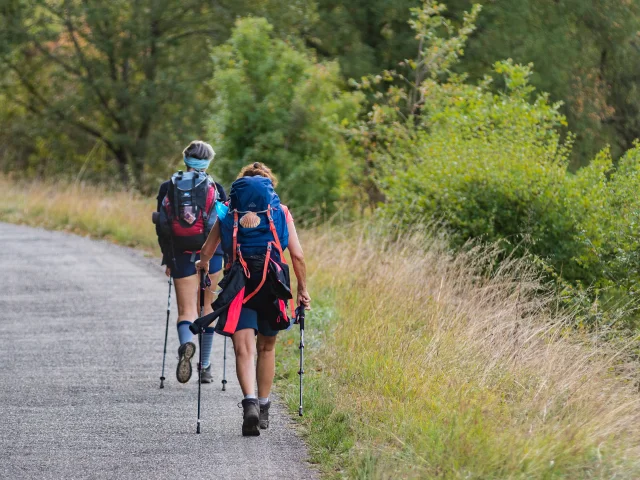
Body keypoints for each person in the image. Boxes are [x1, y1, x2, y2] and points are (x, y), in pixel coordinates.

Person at [194, 162, 311, 436]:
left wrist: (203, 267)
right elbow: (297, 256)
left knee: (243, 349)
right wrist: (302, 289)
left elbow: (207, 251)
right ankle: (263, 405)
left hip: (239, 285)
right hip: (272, 284)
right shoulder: (280, 211)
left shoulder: (227, 211)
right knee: (266, 349)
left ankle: (249, 403)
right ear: (269, 186)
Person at [155, 140, 227, 385]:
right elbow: (224, 227)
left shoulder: (168, 187)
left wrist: (168, 258)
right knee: (208, 309)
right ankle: (205, 366)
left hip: (181, 255)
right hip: (212, 256)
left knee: (186, 310)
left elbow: (162, 227)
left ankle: (186, 344)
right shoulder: (216, 188)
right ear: (208, 162)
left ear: (185, 160)